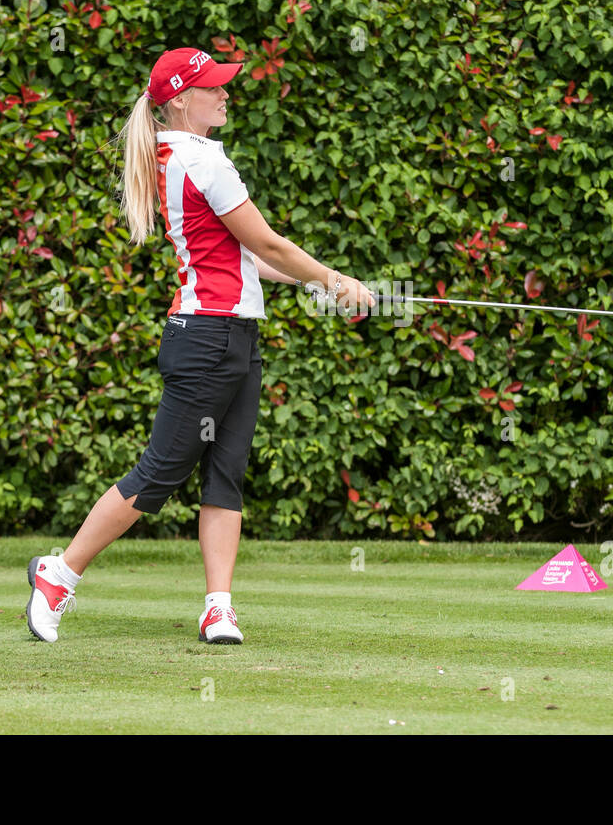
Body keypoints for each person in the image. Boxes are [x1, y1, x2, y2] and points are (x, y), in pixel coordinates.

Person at [25, 47, 374, 644]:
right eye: (214, 87)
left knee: (226, 475)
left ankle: (218, 607)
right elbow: (270, 244)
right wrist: (335, 280)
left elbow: (249, 260)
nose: (226, 94)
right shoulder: (201, 161)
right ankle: (58, 574)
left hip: (232, 334)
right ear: (182, 99)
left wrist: (325, 286)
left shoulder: (185, 155)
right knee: (159, 473)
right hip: (207, 336)